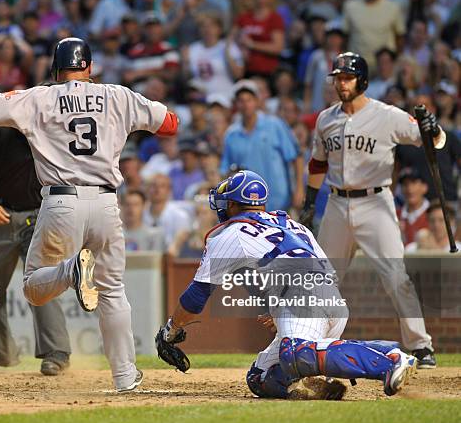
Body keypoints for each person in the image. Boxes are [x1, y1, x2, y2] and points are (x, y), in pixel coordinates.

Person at [0, 37, 179, 391]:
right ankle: (125, 377)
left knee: (34, 287)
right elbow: (170, 124)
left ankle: (70, 271)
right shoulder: (119, 95)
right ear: (90, 67)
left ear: (56, 69)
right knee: (112, 290)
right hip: (106, 203)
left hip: (60, 202)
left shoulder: (41, 96)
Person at [156, 170, 417, 399]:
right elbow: (323, 269)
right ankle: (335, 373)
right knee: (260, 377)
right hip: (330, 299)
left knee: (295, 354)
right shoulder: (292, 224)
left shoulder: (230, 233)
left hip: (300, 300)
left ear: (234, 204)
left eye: (226, 202)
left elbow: (196, 297)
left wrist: (171, 330)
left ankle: (388, 361)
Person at [299, 52, 447, 369]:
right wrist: (310, 202)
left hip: (375, 202)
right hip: (337, 204)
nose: (341, 83)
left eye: (347, 77)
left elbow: (432, 142)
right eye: (338, 78)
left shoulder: (387, 115)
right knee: (321, 280)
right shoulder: (326, 118)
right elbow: (317, 163)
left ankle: (421, 346)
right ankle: (307, 342)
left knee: (396, 277)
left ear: (362, 81)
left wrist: (433, 129)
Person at [0, 123, 71, 374]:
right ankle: (0, 350)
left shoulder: (58, 128)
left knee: (42, 280)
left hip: (40, 215)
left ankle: (57, 352)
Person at [220, 80, 303, 212]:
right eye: (241, 100)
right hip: (247, 206)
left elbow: (296, 157)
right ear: (236, 104)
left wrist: (299, 189)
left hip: (280, 203)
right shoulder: (231, 134)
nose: (245, 104)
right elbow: (226, 170)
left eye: (249, 100)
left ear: (257, 101)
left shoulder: (275, 125)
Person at [397, 167, 430, 246]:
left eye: (414, 183)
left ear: (424, 187)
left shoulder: (436, 214)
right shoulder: (395, 215)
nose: (409, 189)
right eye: (405, 184)